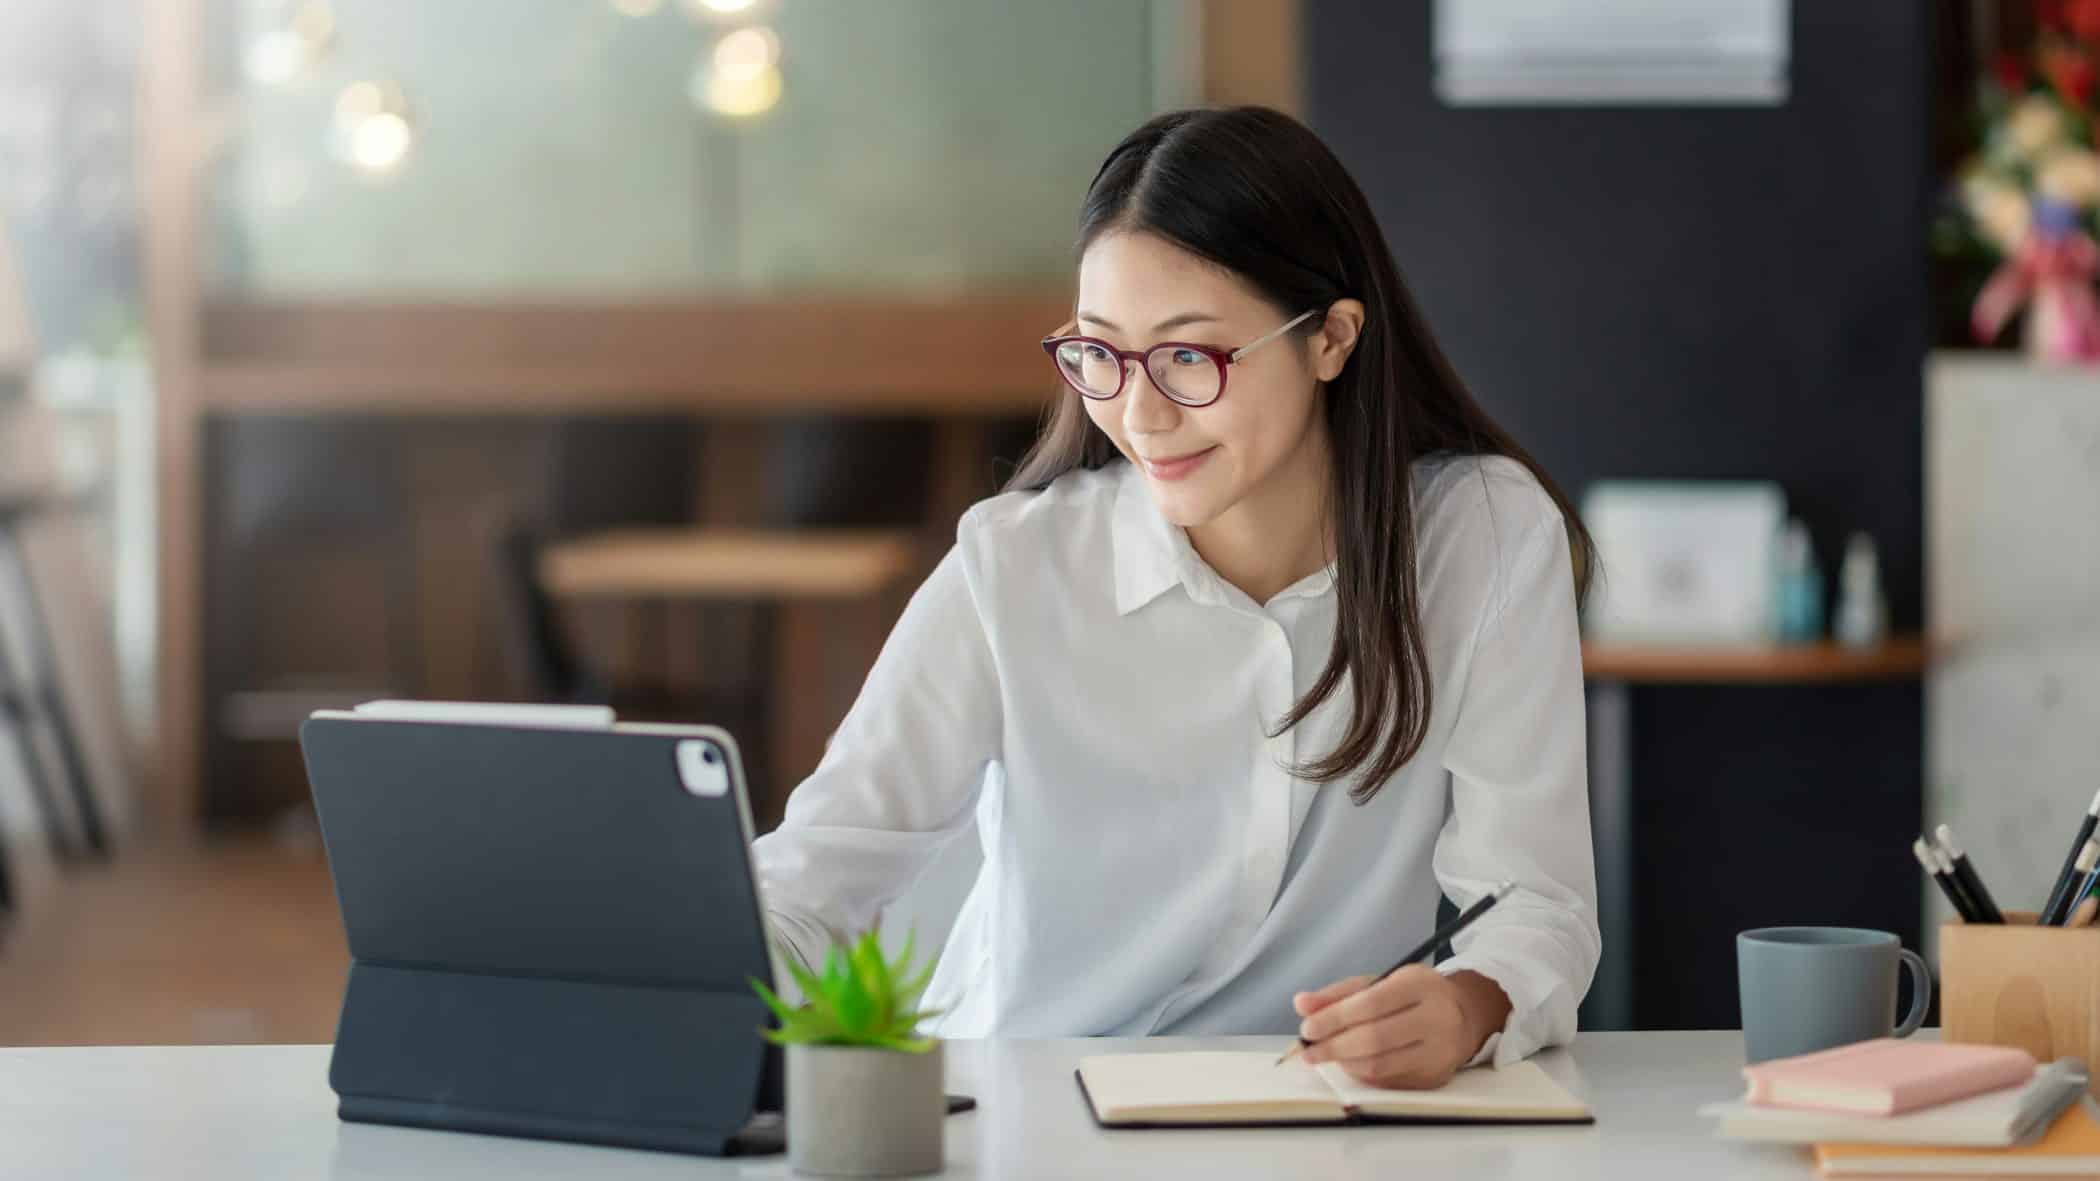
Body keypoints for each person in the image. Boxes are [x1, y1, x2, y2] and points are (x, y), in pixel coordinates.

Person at [752, 106, 1599, 1090]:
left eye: (1191, 356)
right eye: (1101, 353)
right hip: (1019, 1119)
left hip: (1308, 1119)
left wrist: (1471, 1001)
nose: (1140, 413)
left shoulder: (1483, 538)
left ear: (1331, 337)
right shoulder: (1016, 568)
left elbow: (1533, 899)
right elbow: (816, 876)